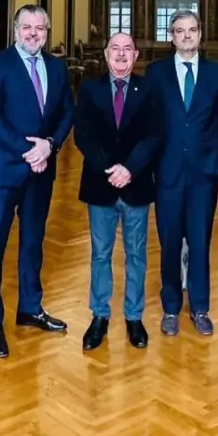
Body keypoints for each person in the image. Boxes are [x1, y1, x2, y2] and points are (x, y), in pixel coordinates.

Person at [0, 5, 74, 358]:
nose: (34, 33)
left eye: (41, 28)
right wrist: (28, 151)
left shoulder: (57, 66)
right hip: (5, 169)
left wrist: (50, 145)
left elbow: (67, 112)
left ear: (47, 31)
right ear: (16, 29)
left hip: (42, 170)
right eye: (27, 27)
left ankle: (30, 308)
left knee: (33, 242)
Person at [75, 32, 163, 350]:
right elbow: (83, 135)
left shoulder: (149, 90)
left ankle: (133, 317)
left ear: (136, 56)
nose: (122, 55)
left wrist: (130, 169)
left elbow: (155, 134)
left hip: (136, 185)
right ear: (106, 53)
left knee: (136, 255)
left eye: (128, 49)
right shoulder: (89, 89)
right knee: (100, 254)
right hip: (101, 184)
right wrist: (110, 168)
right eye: (116, 49)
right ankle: (99, 316)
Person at [145, 10, 218, 336]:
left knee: (199, 241)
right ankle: (170, 307)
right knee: (168, 241)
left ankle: (199, 307)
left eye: (192, 30)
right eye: (180, 31)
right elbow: (148, 122)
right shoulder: (156, 73)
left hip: (203, 173)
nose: (186, 36)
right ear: (172, 36)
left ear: (200, 34)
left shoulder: (216, 74)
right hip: (166, 172)